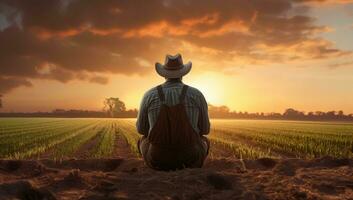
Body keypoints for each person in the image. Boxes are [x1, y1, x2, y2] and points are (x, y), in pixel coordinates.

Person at [136, 54, 210, 171]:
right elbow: (205, 130)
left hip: (158, 159)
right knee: (205, 140)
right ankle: (192, 168)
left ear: (164, 74)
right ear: (182, 74)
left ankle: (155, 168)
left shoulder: (149, 95)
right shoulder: (197, 94)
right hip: (190, 159)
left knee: (142, 139)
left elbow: (141, 130)